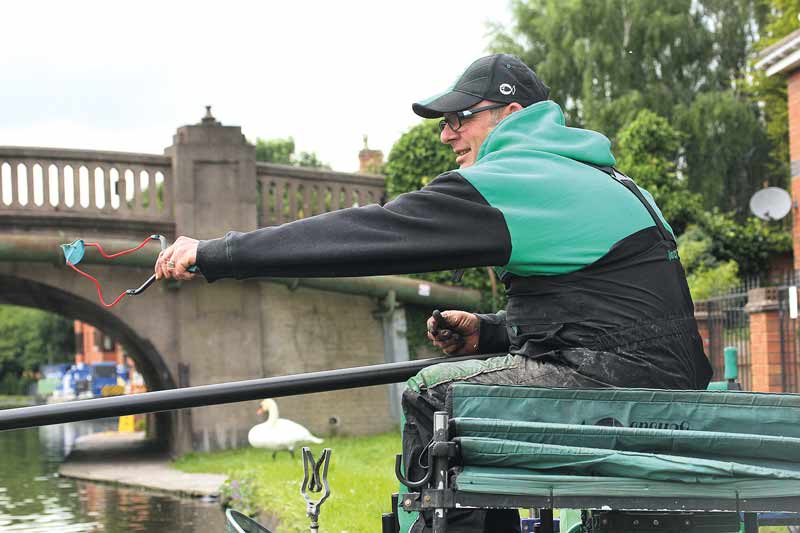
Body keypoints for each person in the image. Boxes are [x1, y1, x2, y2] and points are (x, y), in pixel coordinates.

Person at [156, 54, 712, 532]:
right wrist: (493, 332)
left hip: (620, 389)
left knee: (435, 394)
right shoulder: (605, 179)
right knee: (462, 390)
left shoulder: (521, 176)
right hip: (655, 384)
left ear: (512, 116)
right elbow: (609, 309)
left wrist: (218, 254)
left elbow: (371, 234)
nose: (446, 134)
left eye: (461, 118)